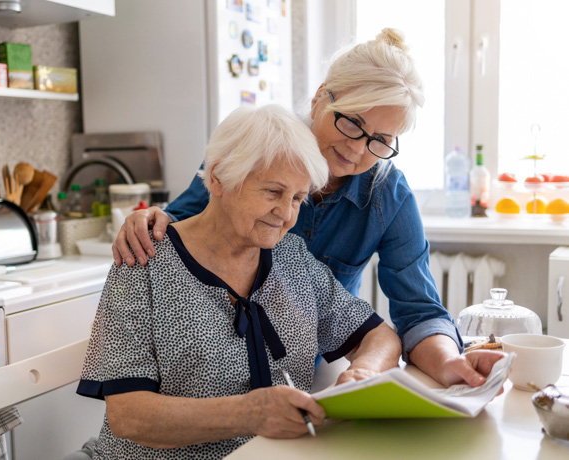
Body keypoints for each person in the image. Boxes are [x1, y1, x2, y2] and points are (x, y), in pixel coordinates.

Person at [112, 28, 506, 388]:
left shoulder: (389, 195)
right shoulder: (255, 149)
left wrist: (450, 362)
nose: (356, 148)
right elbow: (183, 227)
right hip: (211, 370)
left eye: (380, 139)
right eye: (352, 122)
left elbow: (419, 311)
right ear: (321, 97)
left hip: (306, 371)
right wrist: (148, 219)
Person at [77, 105, 402, 458]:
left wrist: (364, 372)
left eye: (297, 198)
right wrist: (249, 414)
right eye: (273, 192)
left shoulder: (292, 258)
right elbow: (129, 416)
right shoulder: (144, 261)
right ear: (217, 178)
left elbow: (379, 335)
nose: (286, 214)